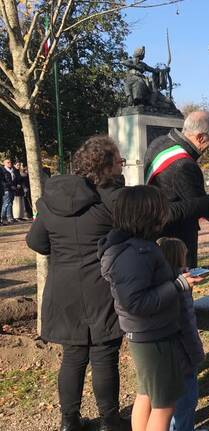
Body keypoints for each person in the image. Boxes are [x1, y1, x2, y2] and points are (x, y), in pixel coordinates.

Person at [26, 136, 126, 431]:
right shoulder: (111, 200)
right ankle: (109, 421)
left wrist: (63, 251)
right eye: (118, 160)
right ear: (106, 166)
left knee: (73, 356)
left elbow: (36, 241)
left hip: (64, 286)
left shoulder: (51, 200)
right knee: (104, 355)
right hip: (101, 287)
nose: (121, 165)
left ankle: (68, 422)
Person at [99, 186, 202, 431]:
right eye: (160, 210)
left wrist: (177, 276)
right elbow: (136, 302)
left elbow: (147, 285)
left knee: (146, 395)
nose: (165, 216)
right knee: (164, 405)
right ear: (145, 214)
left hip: (151, 334)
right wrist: (178, 284)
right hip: (153, 336)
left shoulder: (139, 247)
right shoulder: (134, 253)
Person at [144, 111, 209, 268]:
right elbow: (198, 204)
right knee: (181, 284)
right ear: (200, 137)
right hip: (176, 239)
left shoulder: (157, 143)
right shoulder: (185, 165)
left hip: (156, 232)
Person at [156, 238, 206, 431]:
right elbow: (187, 327)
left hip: (163, 358)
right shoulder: (180, 291)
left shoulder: (158, 285)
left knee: (167, 404)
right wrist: (196, 355)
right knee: (186, 401)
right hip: (183, 359)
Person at [1, 158, 17, 224]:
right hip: (6, 189)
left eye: (10, 162)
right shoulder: (3, 170)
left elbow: (15, 179)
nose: (10, 163)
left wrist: (15, 185)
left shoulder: (12, 171)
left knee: (10, 204)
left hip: (12, 189)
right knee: (6, 204)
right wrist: (10, 186)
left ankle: (9, 217)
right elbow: (2, 181)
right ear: (4, 163)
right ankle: (2, 218)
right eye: (8, 162)